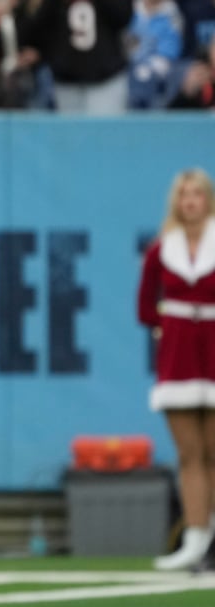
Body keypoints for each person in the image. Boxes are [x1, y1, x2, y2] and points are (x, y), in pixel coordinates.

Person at [137, 169, 215, 570]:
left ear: (207, 199)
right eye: (184, 195)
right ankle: (196, 538)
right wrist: (173, 324)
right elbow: (144, 307)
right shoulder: (160, 249)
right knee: (191, 454)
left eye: (197, 194)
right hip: (180, 356)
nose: (190, 202)